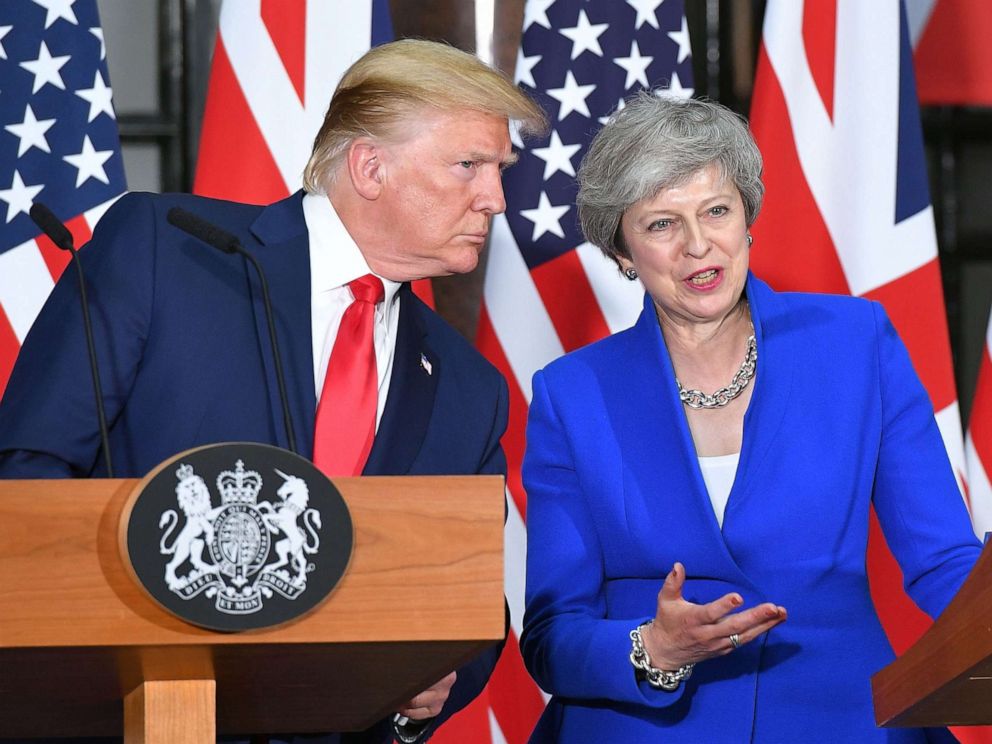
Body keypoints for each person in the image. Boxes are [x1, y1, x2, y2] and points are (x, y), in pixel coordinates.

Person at [0, 39, 545, 743]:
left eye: (500, 171)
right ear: (371, 167)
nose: (496, 200)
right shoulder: (170, 252)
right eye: (469, 166)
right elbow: (26, 475)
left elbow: (468, 591)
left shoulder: (469, 387)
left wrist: (433, 685)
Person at [519, 93, 981, 743]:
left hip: (843, 717)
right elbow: (550, 634)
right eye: (661, 225)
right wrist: (651, 648)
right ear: (621, 251)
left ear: (747, 218)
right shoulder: (573, 394)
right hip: (646, 728)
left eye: (717, 210)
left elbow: (944, 561)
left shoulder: (855, 343)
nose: (698, 245)